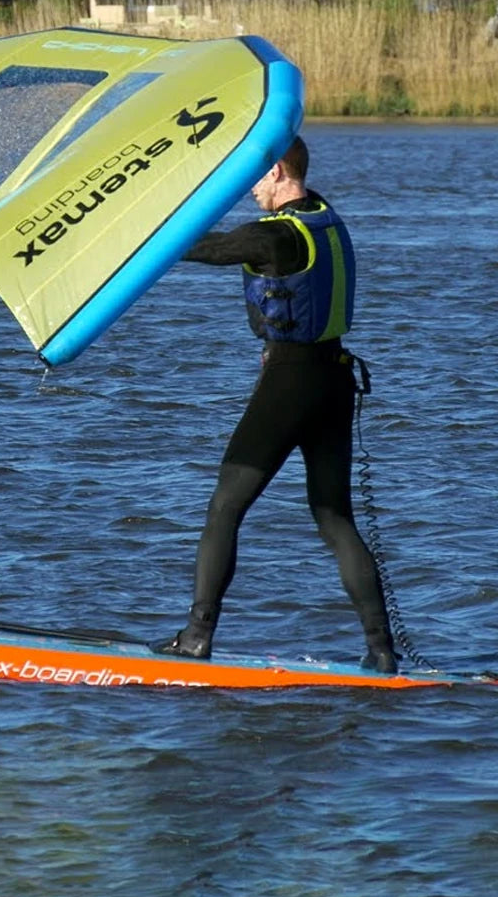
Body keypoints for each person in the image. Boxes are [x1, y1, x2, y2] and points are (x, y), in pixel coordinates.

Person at [152, 135, 398, 674]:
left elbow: (205, 249)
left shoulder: (277, 237)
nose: (251, 190)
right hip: (335, 381)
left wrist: (143, 232)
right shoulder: (327, 218)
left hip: (291, 382)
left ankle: (196, 637)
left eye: (257, 178)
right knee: (334, 517)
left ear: (281, 170)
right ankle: (382, 652)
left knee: (225, 507)